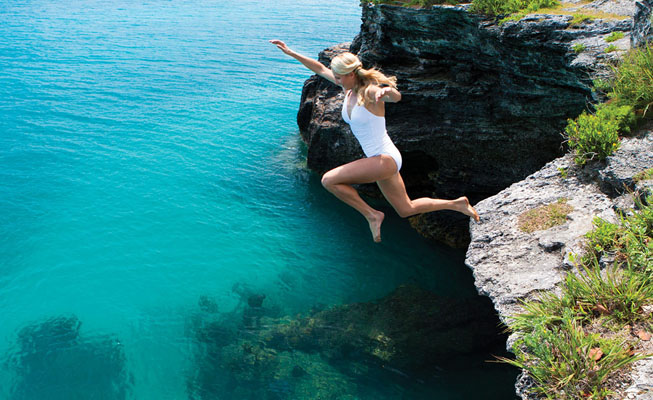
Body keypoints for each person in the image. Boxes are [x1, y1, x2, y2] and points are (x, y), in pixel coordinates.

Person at [270, 40, 479, 242]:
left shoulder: (369, 91)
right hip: (382, 159)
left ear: (351, 74)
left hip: (384, 158)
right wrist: (291, 53)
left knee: (328, 180)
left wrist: (387, 91)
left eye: (339, 77)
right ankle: (457, 204)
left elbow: (395, 97)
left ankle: (371, 214)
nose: (336, 79)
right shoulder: (347, 88)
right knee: (406, 209)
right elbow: (318, 68)